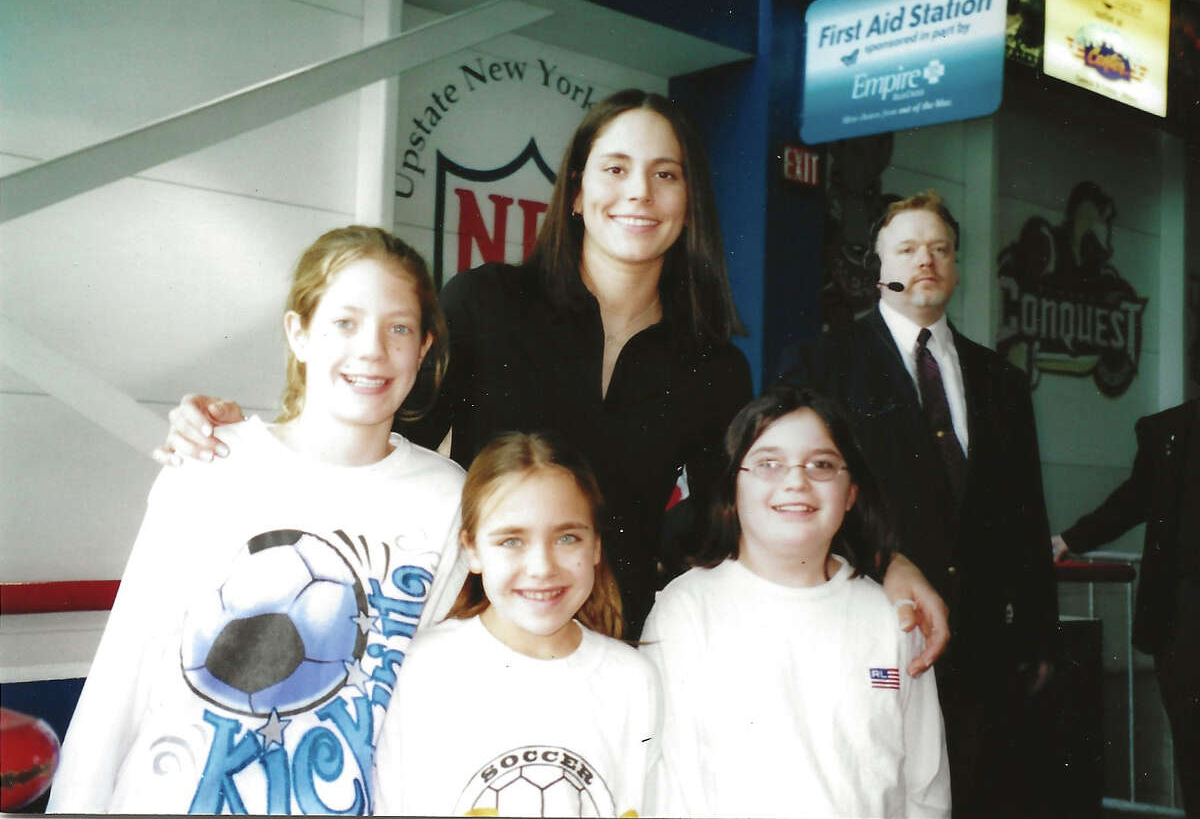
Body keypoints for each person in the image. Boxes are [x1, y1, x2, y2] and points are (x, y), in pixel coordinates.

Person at [155, 90, 949, 658]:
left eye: (665, 173)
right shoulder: (488, 301)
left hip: (619, 648)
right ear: (576, 192)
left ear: (688, 202)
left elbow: (734, 516)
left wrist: (889, 558)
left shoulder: (712, 363)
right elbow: (380, 442)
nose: (637, 191)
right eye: (614, 169)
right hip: (463, 637)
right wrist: (255, 439)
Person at [47, 227, 466, 815]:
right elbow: (125, 669)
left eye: (398, 328)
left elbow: (427, 707)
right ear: (298, 334)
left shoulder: (446, 498)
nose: (372, 349)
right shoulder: (213, 463)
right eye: (344, 322)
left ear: (422, 349)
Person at [778, 189, 1057, 815]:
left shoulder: (1002, 382)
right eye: (906, 249)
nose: (925, 260)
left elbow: (1026, 514)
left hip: (981, 651)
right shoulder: (820, 365)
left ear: (957, 268)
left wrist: (1040, 636)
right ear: (880, 269)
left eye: (940, 249)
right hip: (870, 632)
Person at [641, 385, 950, 818]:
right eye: (768, 464)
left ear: (851, 494)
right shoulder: (687, 610)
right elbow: (665, 784)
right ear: (732, 488)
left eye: (822, 464)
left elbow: (925, 786)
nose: (796, 481)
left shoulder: (891, 616)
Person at [372, 431, 659, 817]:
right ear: (471, 549)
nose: (542, 567)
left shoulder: (632, 681)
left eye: (567, 537)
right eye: (511, 541)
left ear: (596, 546)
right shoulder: (422, 669)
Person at [1052, 398, 1199, 817]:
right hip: (1184, 620)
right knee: (1193, 748)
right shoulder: (1169, 431)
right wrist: (1072, 539)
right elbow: (1133, 500)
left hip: (1183, 626)